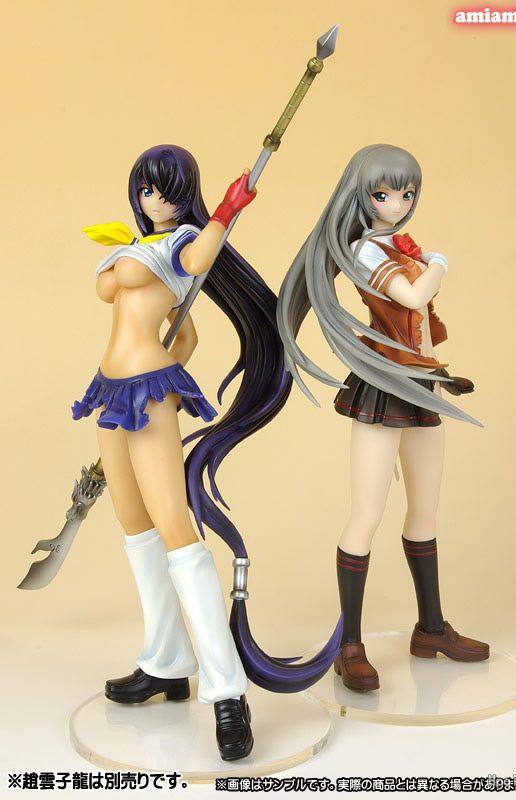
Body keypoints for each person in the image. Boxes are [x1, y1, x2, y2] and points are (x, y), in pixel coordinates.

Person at [72, 143, 290, 760]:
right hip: (109, 389)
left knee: (174, 528)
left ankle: (227, 689)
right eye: (148, 189)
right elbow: (185, 335)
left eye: (168, 190)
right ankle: (166, 661)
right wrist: (165, 359)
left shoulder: (184, 240)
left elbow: (197, 258)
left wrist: (224, 211)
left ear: (185, 195)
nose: (157, 200)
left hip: (145, 391)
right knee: (134, 524)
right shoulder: (136, 242)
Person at [277, 144, 489, 693]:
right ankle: (349, 645)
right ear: (362, 196)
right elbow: (414, 295)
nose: (397, 203)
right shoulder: (365, 250)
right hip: (384, 385)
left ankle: (431, 629)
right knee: (366, 515)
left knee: (425, 512)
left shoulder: (398, 245)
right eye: (384, 194)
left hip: (421, 382)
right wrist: (439, 263)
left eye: (407, 193)